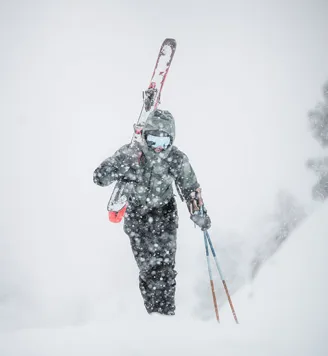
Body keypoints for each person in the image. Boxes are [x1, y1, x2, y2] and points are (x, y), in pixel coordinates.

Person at [93, 109, 211, 315]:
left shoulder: (176, 159)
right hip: (137, 217)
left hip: (165, 214)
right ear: (144, 136)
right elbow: (100, 177)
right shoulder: (131, 155)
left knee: (165, 269)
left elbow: (190, 187)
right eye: (153, 139)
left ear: (171, 141)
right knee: (149, 270)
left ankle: (166, 313)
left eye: (164, 142)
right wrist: (111, 170)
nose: (158, 147)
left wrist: (198, 211)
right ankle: (154, 314)